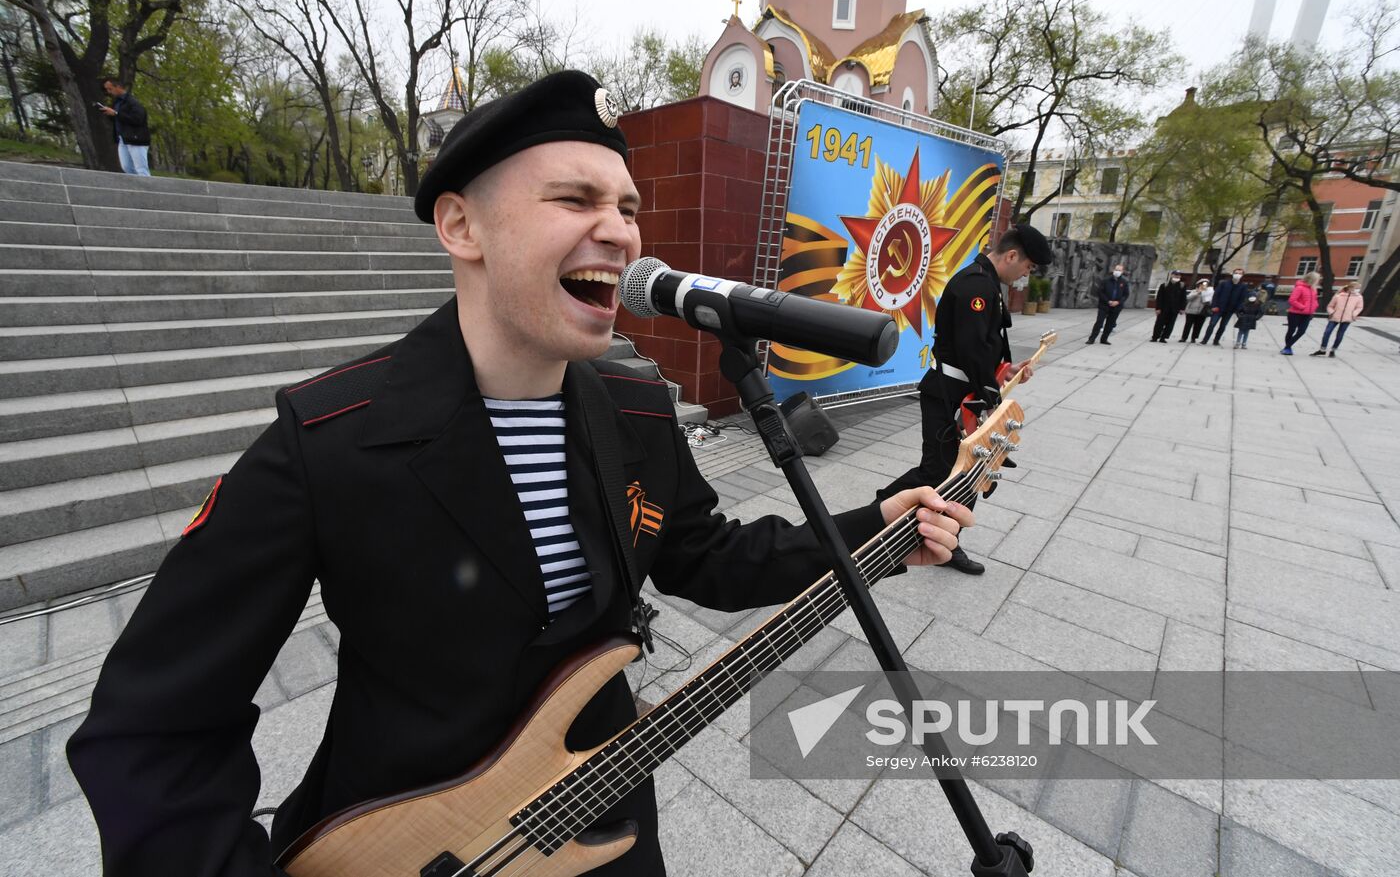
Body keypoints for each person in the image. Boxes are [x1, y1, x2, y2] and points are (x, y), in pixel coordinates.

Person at [66, 71, 972, 877]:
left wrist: (874, 527)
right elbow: (153, 726)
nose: (617, 232)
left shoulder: (637, 405)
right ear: (461, 224)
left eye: (626, 206)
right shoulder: (328, 436)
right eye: (575, 199)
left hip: (603, 816)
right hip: (403, 838)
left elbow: (707, 555)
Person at [876, 224, 1052, 576]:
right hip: (950, 394)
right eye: (1028, 268)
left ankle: (946, 540)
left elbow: (981, 348)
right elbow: (971, 349)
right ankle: (880, 510)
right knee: (938, 469)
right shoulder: (977, 285)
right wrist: (989, 394)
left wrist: (1005, 370)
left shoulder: (986, 283)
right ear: (1013, 255)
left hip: (964, 393)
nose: (1024, 277)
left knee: (966, 470)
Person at [98, 76, 151, 176]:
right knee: (126, 167)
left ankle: (148, 189)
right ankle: (135, 189)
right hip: (123, 139)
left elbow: (138, 119)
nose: (109, 92)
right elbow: (118, 118)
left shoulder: (132, 102)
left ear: (118, 86)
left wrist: (116, 114)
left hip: (136, 139)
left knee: (141, 168)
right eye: (107, 89)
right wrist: (110, 114)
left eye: (110, 89)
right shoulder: (117, 102)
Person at [1311, 281, 1363, 356]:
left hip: (1347, 318)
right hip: (1334, 317)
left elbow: (1359, 307)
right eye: (1357, 288)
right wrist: (1332, 313)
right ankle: (1322, 349)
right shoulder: (1338, 296)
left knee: (1340, 335)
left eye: (1359, 288)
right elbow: (1330, 306)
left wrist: (1353, 314)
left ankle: (1333, 350)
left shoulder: (1359, 297)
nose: (1358, 290)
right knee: (1327, 332)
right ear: (1350, 288)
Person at [1203, 267, 1249, 346]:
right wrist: (1214, 306)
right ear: (1233, 274)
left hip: (1229, 310)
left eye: (1240, 273)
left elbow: (1242, 299)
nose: (1238, 275)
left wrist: (1237, 309)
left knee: (1223, 326)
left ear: (1242, 275)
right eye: (1236, 273)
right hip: (1218, 308)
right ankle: (1205, 340)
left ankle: (1216, 341)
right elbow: (1216, 295)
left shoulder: (1243, 286)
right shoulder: (1224, 283)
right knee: (1212, 324)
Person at [1086, 262, 1130, 345]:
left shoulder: (1124, 282)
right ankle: (1092, 339)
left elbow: (1126, 294)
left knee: (1110, 324)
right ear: (1114, 270)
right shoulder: (1106, 280)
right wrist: (1108, 301)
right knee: (1099, 322)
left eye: (1119, 270)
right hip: (1104, 305)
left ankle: (1104, 339)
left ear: (1122, 271)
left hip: (1116, 307)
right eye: (1116, 270)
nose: (1117, 271)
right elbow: (1100, 292)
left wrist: (1118, 302)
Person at [1281, 271, 1320, 355]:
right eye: (1317, 279)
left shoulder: (1314, 289)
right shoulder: (1299, 288)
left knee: (1301, 331)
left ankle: (1287, 347)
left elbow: (1314, 300)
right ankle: (1288, 348)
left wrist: (1315, 306)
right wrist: (1302, 307)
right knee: (1291, 330)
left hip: (1307, 315)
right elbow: (1292, 300)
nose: (1318, 281)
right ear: (1312, 279)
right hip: (1295, 313)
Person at [1150, 270, 1187, 342]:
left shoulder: (1182, 286)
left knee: (1170, 324)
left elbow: (1183, 298)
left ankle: (1163, 337)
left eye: (1179, 275)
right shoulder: (1164, 285)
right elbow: (1159, 297)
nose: (1177, 276)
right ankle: (1155, 337)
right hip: (1164, 308)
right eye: (1175, 274)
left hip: (1174, 309)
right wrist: (1158, 308)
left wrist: (1182, 308)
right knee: (1159, 323)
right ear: (1172, 275)